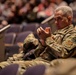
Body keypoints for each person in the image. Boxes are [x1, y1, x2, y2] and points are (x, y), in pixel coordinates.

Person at [0, 6, 76, 75]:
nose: (56, 22)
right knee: (4, 65)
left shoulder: (73, 34)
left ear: (69, 19)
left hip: (51, 64)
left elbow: (64, 54)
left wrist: (48, 39)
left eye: (59, 19)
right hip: (38, 60)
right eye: (55, 19)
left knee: (11, 67)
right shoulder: (55, 33)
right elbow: (37, 54)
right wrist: (43, 42)